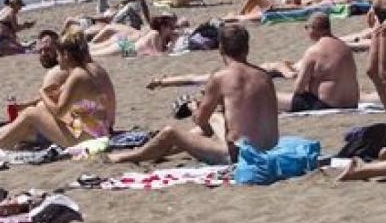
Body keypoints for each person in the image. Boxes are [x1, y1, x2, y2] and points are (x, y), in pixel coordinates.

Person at [109, 24, 279, 165]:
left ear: (221, 48)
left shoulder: (220, 77)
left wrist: (193, 108)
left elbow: (201, 120)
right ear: (247, 48)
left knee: (171, 132)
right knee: (217, 117)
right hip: (269, 149)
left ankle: (130, 156)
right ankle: (162, 150)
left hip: (241, 154)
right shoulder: (264, 76)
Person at [0, 29, 115, 150]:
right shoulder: (91, 68)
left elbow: (59, 111)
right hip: (98, 128)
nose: (57, 60)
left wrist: (42, 93)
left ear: (66, 55)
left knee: (30, 114)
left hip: (89, 137)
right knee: (37, 111)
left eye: (58, 55)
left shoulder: (77, 76)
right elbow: (76, 102)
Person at [277, 12, 358, 112]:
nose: (306, 31)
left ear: (314, 28)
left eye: (307, 27)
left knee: (274, 97)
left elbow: (299, 89)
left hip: (326, 104)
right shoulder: (345, 47)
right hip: (352, 104)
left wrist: (294, 75)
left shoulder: (314, 51)